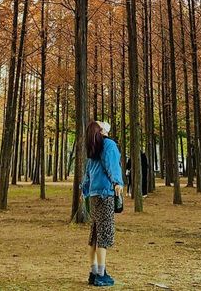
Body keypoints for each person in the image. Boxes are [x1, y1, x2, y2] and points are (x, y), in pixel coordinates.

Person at [81, 120, 124, 287]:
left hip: (93, 194)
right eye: (102, 124)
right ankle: (101, 274)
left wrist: (84, 190)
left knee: (95, 234)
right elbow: (112, 165)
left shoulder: (94, 149)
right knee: (104, 235)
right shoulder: (109, 144)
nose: (105, 124)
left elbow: (87, 174)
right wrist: (117, 182)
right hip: (105, 194)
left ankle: (93, 272)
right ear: (101, 131)